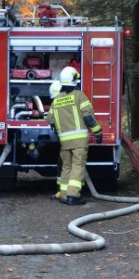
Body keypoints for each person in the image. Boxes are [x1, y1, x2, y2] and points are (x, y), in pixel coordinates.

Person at [46, 66, 102, 205]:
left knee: (66, 167)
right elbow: (88, 118)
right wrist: (98, 132)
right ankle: (73, 196)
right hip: (78, 141)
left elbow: (50, 120)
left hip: (65, 142)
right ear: (74, 80)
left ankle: (64, 195)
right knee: (78, 165)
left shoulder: (56, 100)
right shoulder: (79, 95)